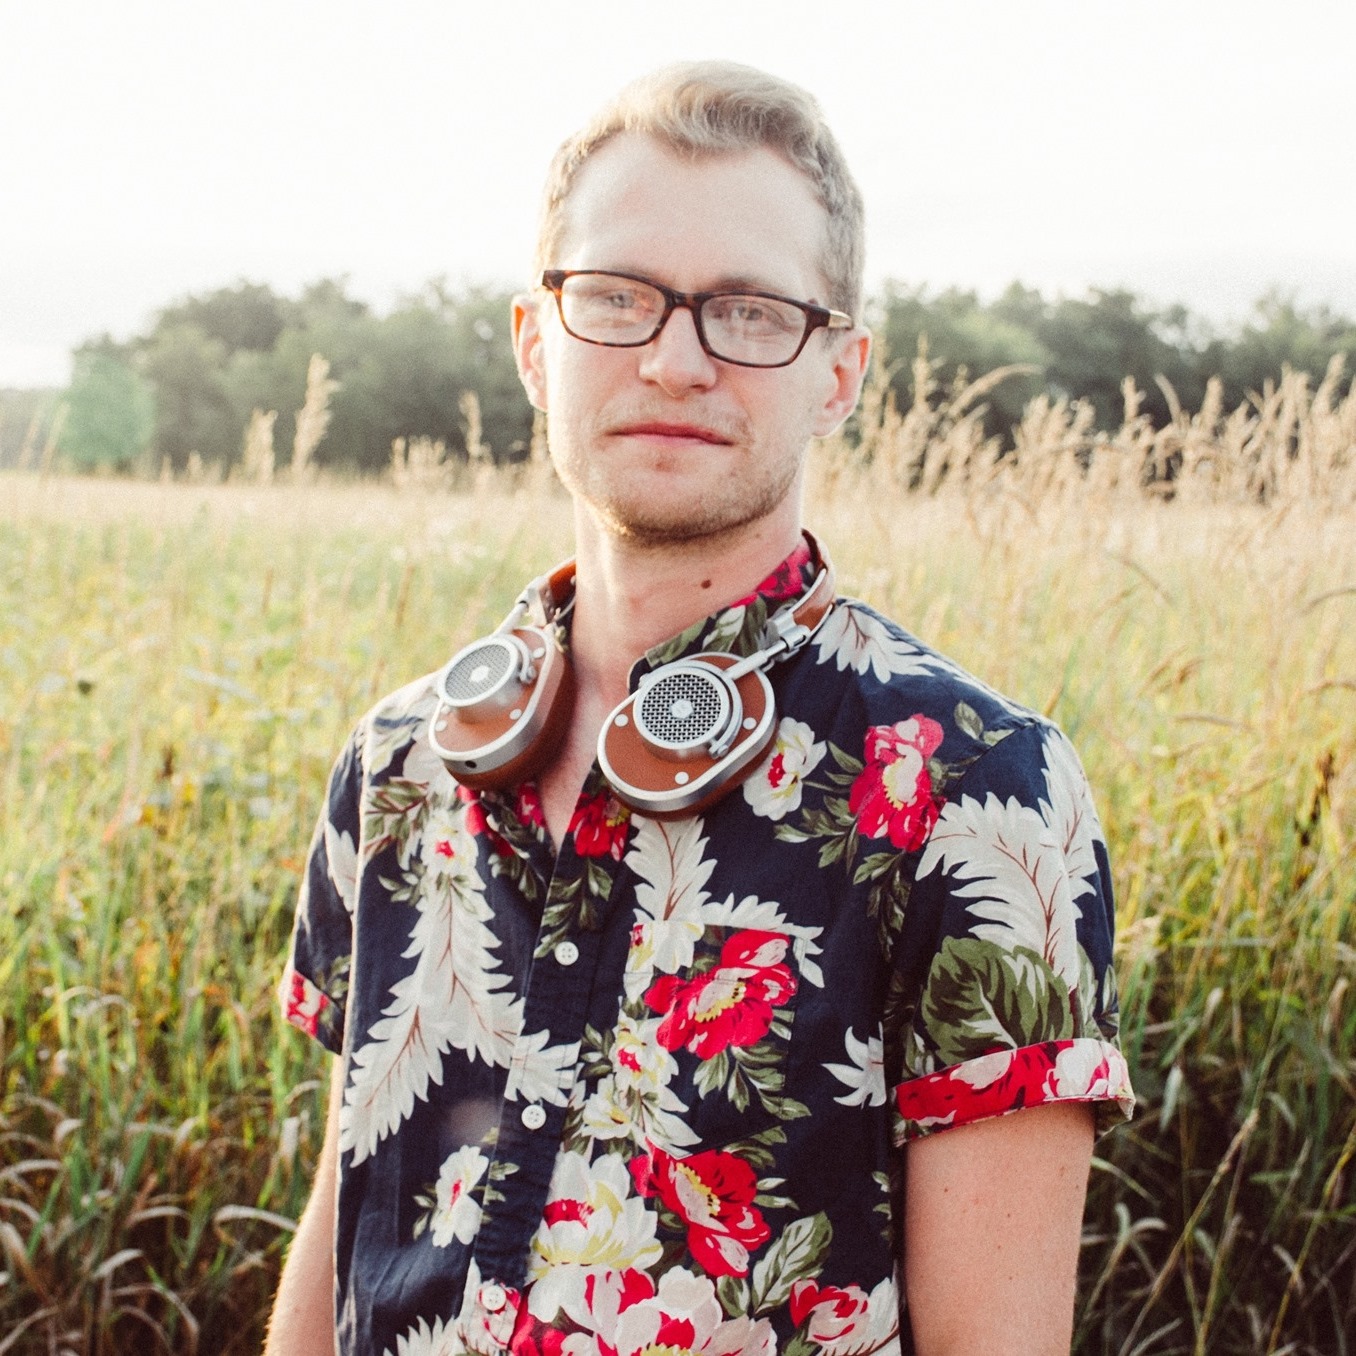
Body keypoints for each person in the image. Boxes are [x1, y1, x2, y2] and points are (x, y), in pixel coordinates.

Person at [266, 61, 1134, 1356]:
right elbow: (354, 1204)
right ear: (533, 343)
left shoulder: (979, 788)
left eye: (747, 309)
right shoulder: (403, 759)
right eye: (616, 298)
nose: (675, 361)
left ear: (839, 372)